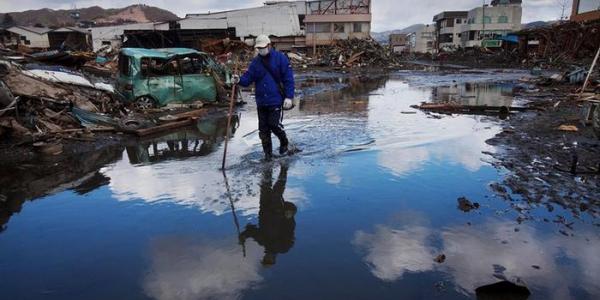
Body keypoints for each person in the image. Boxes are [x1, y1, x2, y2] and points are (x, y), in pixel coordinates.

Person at [232, 35, 295, 161]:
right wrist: (239, 80)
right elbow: (248, 78)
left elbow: (288, 79)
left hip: (275, 100)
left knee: (274, 124)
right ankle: (268, 155)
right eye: (258, 48)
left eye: (263, 47)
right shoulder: (255, 63)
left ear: (269, 46)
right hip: (261, 102)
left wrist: (289, 97)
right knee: (263, 131)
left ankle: (284, 142)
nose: (261, 50)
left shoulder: (280, 59)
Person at [239, 162, 297, 266]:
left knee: (265, 185)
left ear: (264, 257)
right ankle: (284, 166)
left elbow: (252, 231)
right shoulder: (283, 248)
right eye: (269, 261)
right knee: (277, 189)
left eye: (266, 259)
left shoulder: (262, 241)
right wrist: (289, 216)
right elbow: (290, 230)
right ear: (274, 260)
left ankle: (268, 165)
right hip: (277, 210)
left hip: (264, 208)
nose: (267, 258)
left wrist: (243, 236)